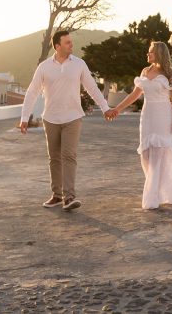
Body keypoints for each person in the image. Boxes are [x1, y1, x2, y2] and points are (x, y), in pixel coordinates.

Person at [19, 29, 110, 211]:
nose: (71, 45)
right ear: (57, 46)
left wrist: (105, 108)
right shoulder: (44, 67)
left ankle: (69, 197)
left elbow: (92, 88)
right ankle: (56, 195)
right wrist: (24, 118)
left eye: (71, 41)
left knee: (69, 156)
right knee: (54, 158)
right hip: (51, 118)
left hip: (73, 117)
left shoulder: (79, 64)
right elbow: (32, 92)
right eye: (67, 42)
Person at [106, 41, 172, 210]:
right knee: (147, 155)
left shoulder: (169, 74)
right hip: (147, 116)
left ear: (159, 54)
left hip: (163, 116)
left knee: (160, 152)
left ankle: (152, 195)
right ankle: (158, 190)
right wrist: (117, 109)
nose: (147, 55)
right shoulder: (145, 71)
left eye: (150, 52)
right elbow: (135, 94)